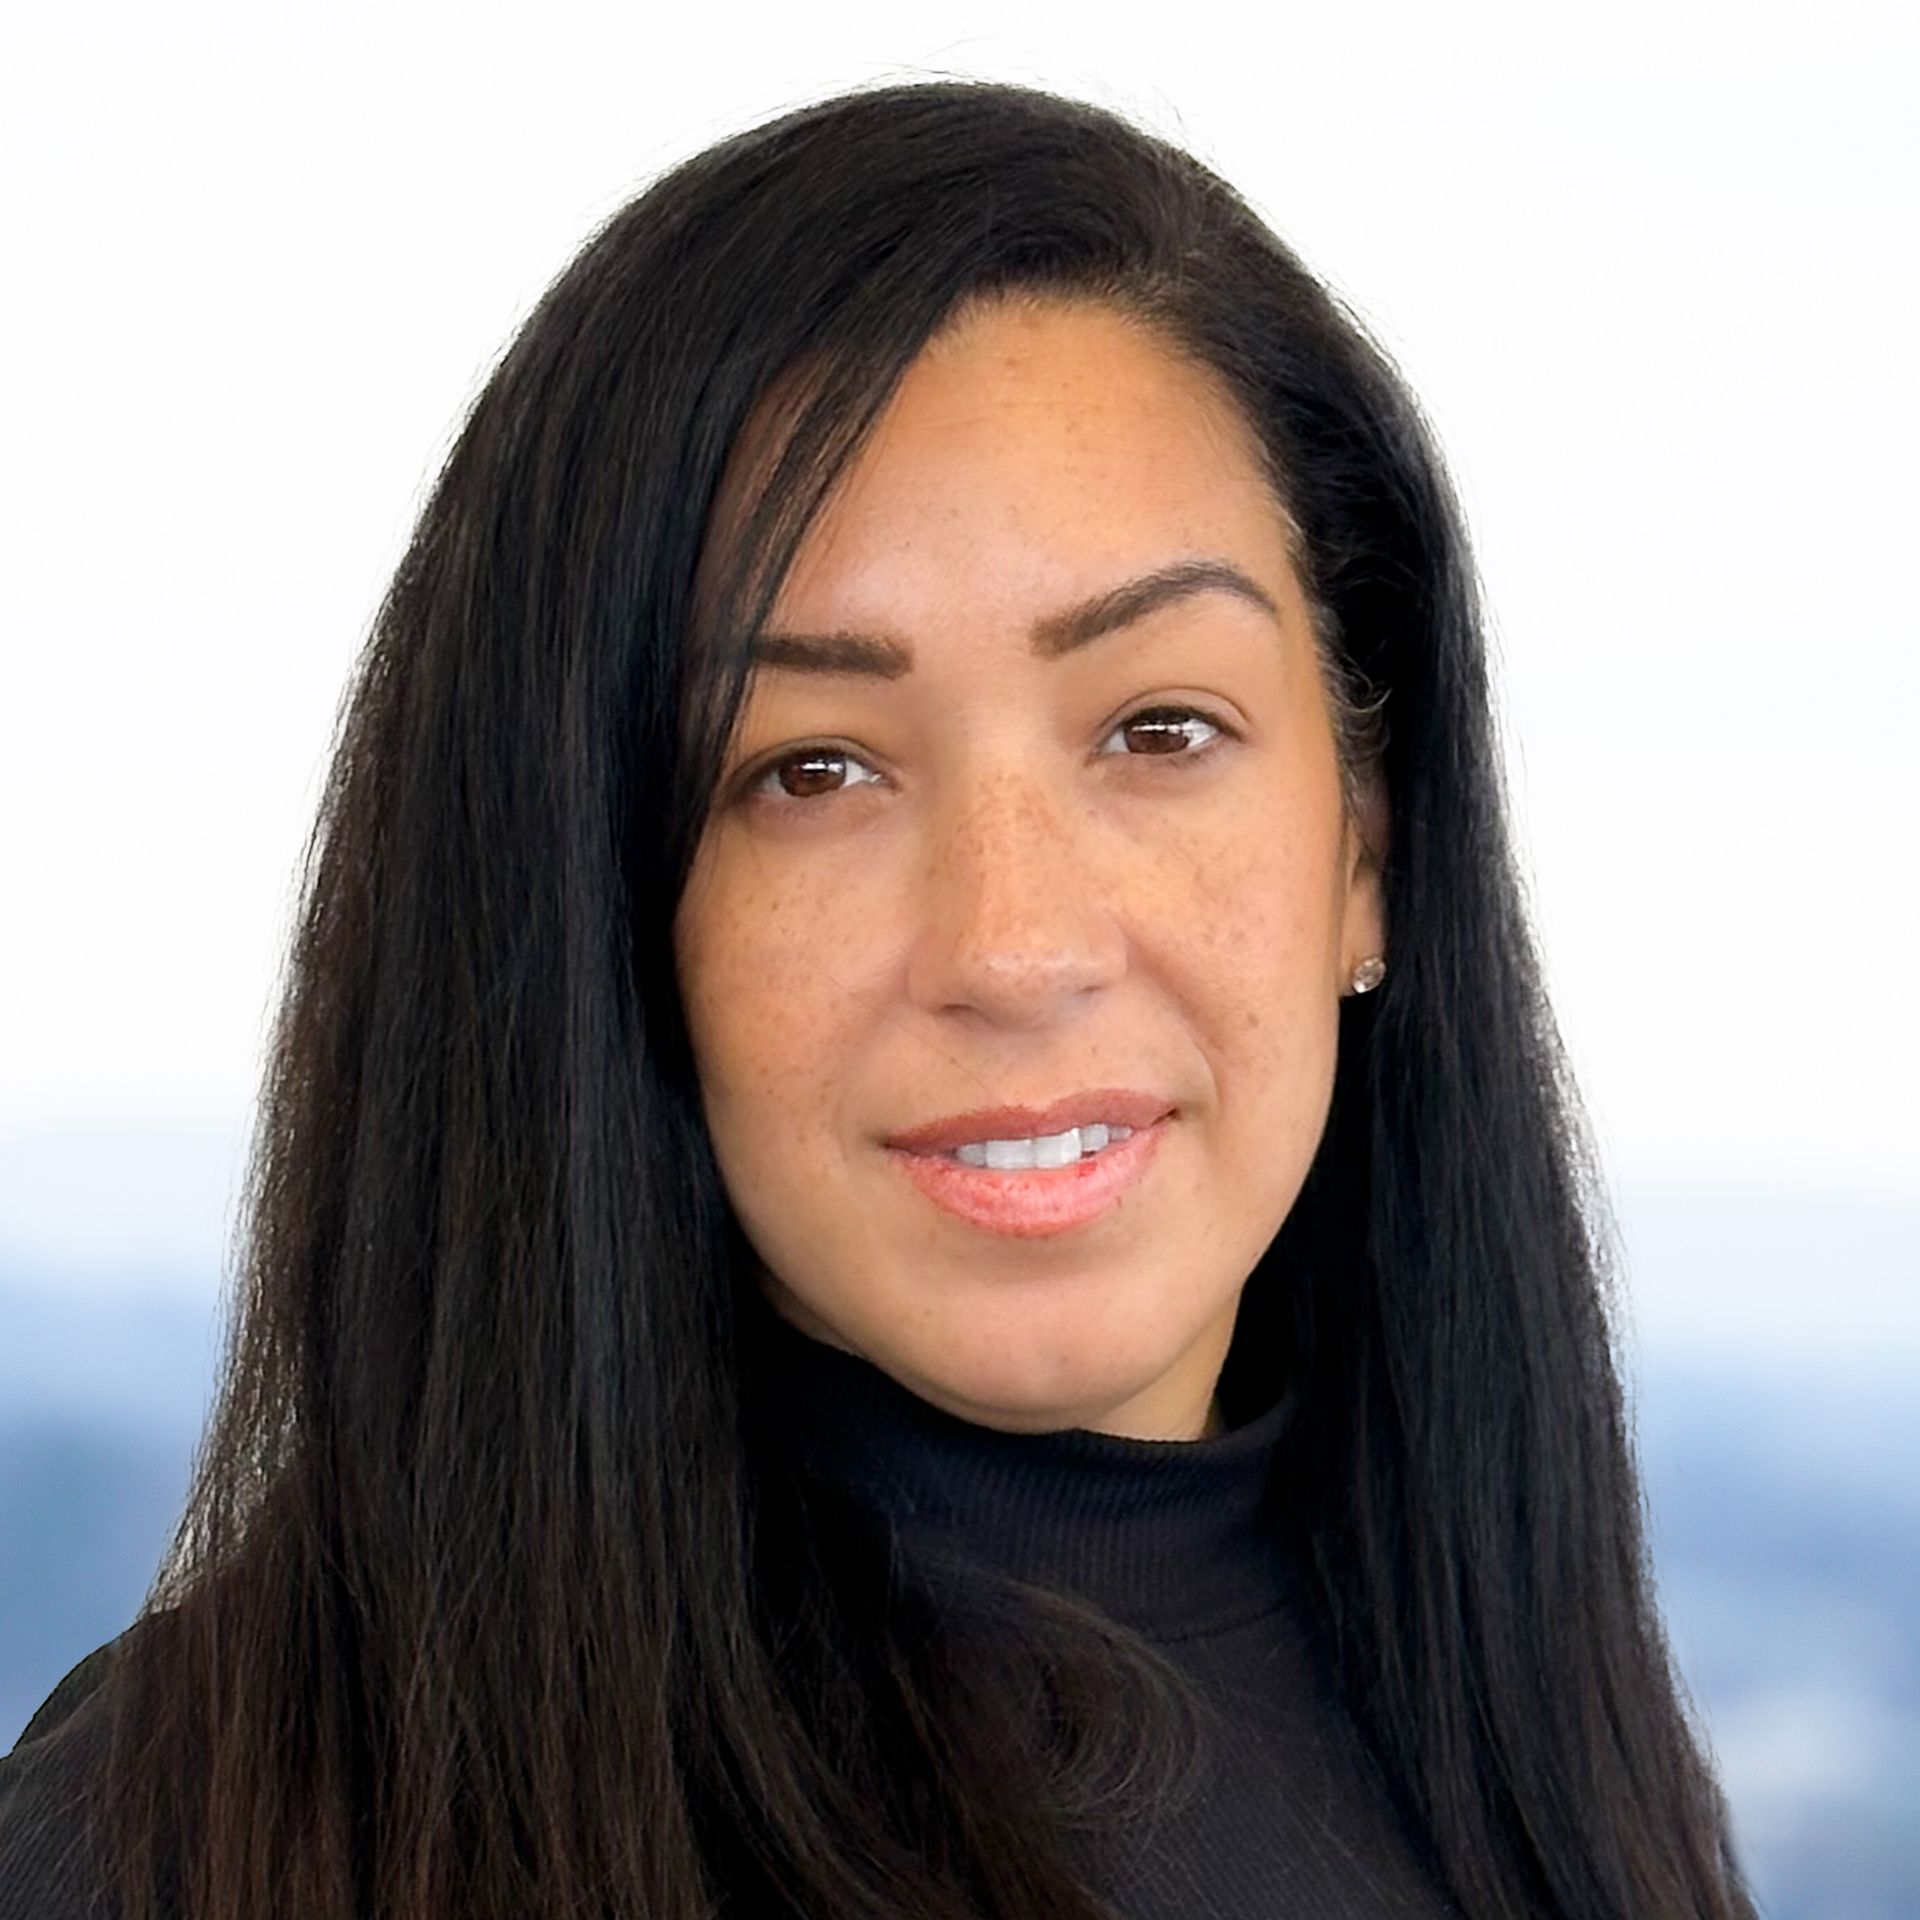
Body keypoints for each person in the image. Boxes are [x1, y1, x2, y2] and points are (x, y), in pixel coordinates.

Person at [0, 77, 1758, 1920]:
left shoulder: (1534, 1742)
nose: (1011, 947)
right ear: (605, 908)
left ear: (1367, 854)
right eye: (812, 769)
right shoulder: (205, 1838)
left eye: (1162, 729)